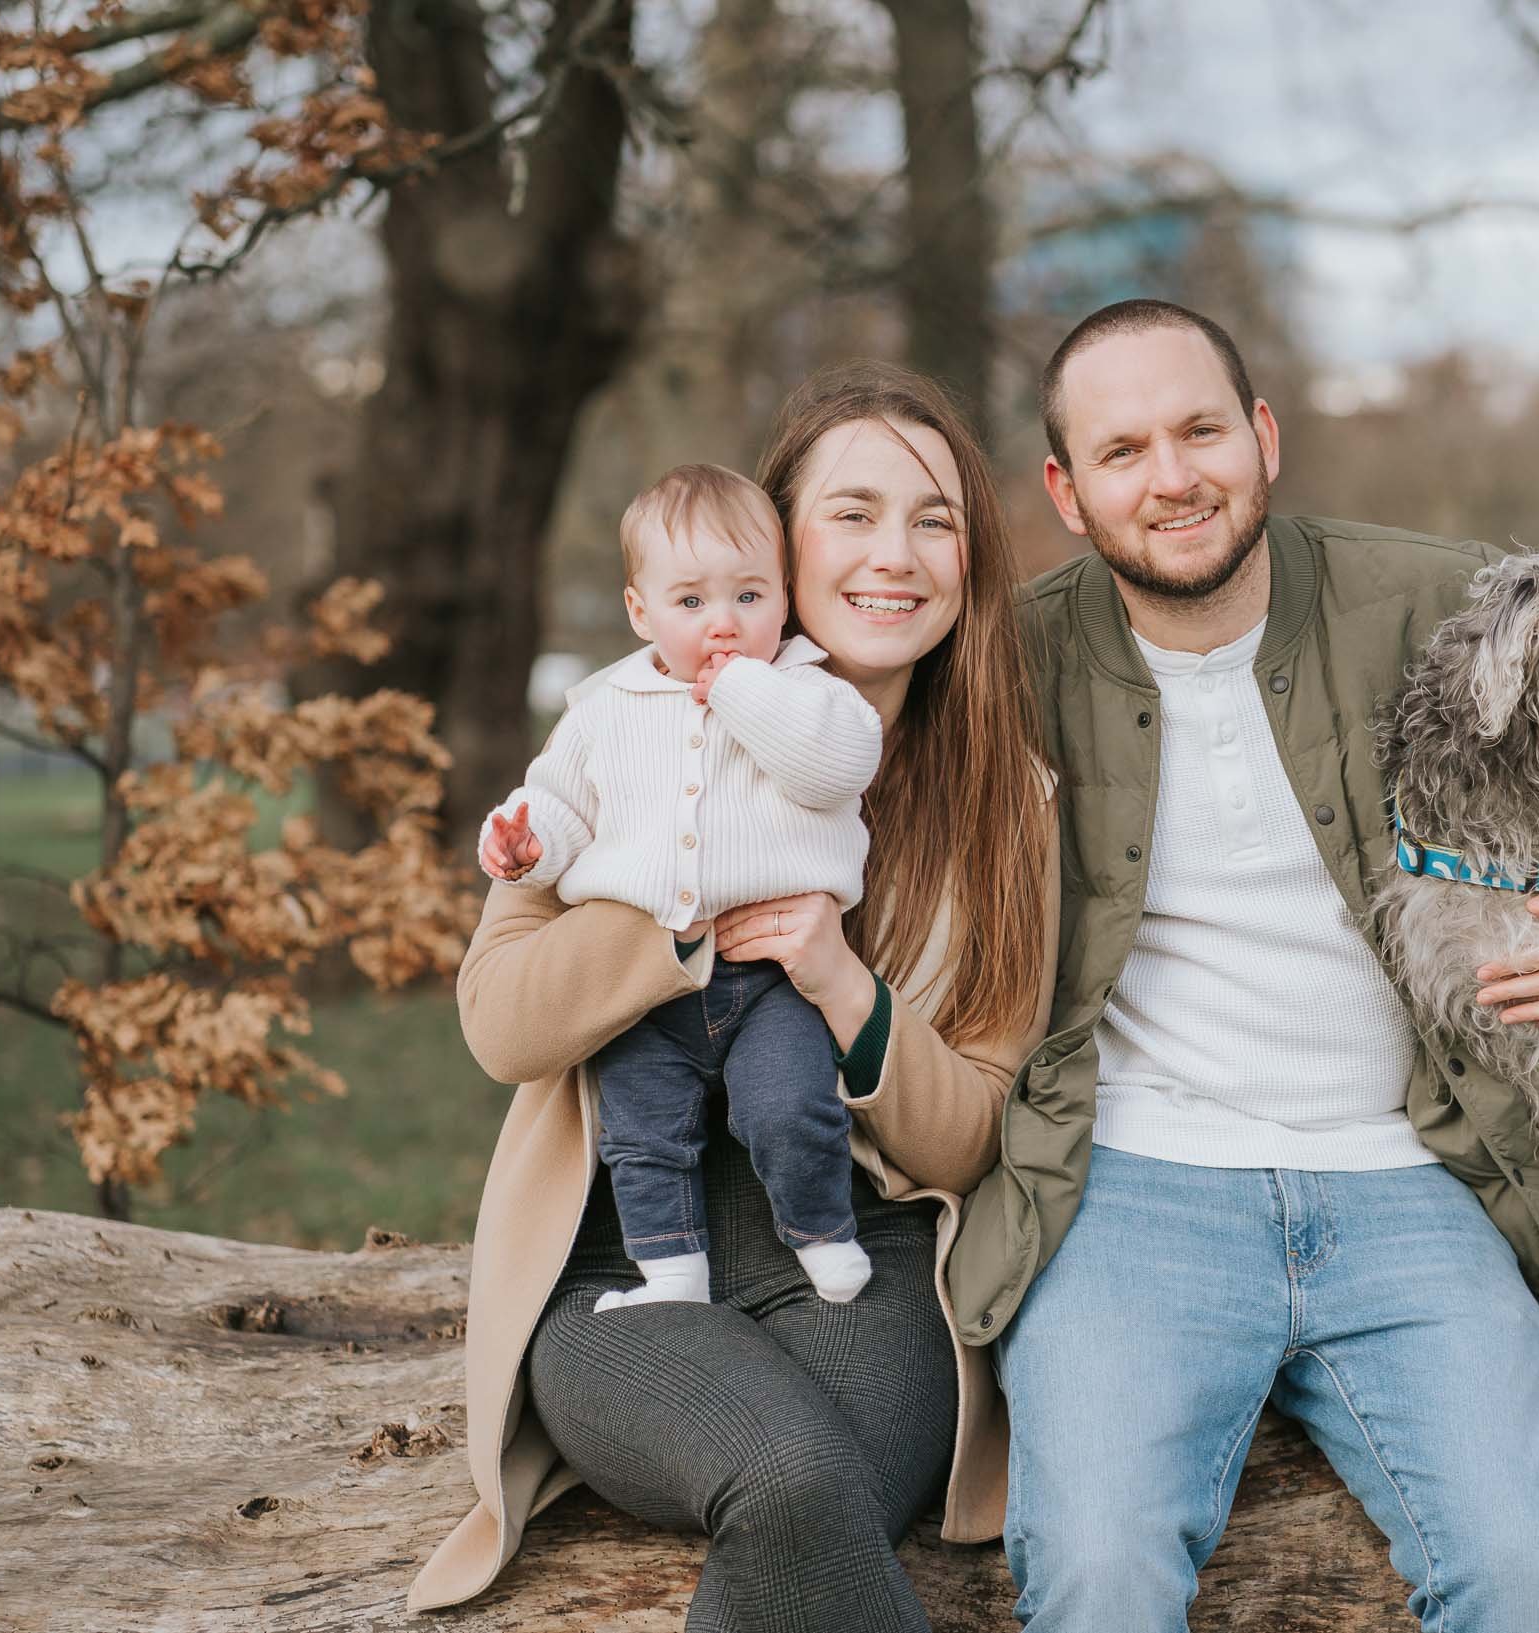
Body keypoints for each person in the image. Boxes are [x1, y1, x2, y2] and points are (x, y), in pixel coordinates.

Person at [946, 299, 1539, 1632]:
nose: (1173, 478)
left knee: (1521, 1576)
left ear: (1263, 436)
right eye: (1123, 450)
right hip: (1133, 1194)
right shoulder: (1014, 656)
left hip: (1415, 1177)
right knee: (1093, 1574)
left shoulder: (1433, 595)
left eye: (1202, 429)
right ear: (1067, 489)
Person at [410, 364, 1056, 1633]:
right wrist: (678, 921)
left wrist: (839, 982)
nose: (896, 555)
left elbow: (978, 1133)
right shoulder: (622, 726)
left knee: (802, 1500)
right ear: (774, 539)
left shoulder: (1006, 803)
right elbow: (500, 1022)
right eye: (853, 513)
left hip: (860, 1254)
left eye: (935, 520)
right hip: (622, 1260)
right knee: (793, 1475)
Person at [477, 462, 884, 1309]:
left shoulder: (811, 693)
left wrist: (739, 688)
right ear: (640, 611)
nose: (724, 624)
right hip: (644, 991)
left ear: (786, 597)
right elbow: (564, 809)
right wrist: (527, 844)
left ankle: (821, 1230)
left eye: (749, 596)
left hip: (772, 979)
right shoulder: (604, 709)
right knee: (642, 1134)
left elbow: (834, 768)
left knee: (789, 1109)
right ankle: (670, 1270)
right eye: (691, 603)